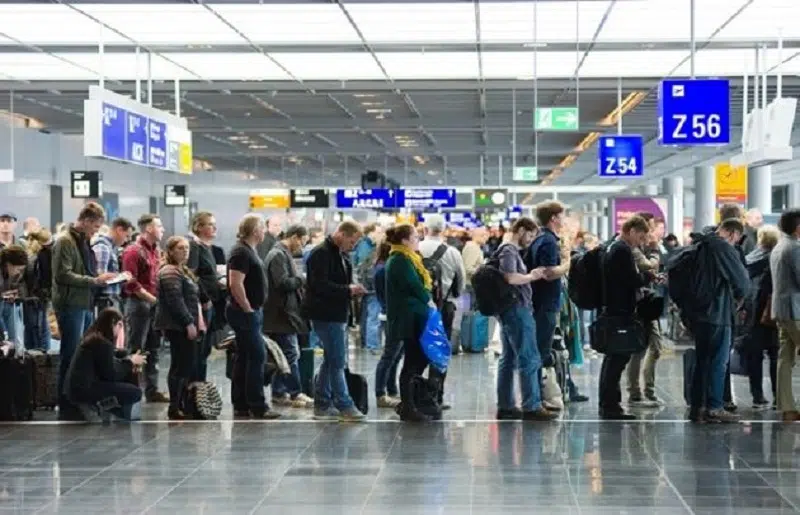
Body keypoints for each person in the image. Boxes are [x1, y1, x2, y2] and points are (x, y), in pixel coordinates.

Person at [52, 202, 118, 420]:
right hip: (71, 304)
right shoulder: (65, 242)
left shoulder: (82, 241)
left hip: (84, 302)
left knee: (81, 354)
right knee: (70, 354)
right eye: (95, 227)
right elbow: (62, 274)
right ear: (86, 221)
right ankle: (65, 401)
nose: (96, 231)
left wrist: (99, 277)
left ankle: (76, 398)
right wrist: (94, 280)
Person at [495, 217, 558, 421]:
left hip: (509, 310)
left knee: (509, 358)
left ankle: (506, 405)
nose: (530, 240)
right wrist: (532, 276)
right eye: (530, 235)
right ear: (521, 230)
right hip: (517, 310)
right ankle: (531, 405)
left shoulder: (506, 249)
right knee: (529, 357)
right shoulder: (509, 250)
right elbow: (510, 277)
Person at [688, 218, 750, 424]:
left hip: (698, 313)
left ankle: (697, 407)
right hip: (718, 313)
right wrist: (740, 300)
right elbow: (742, 282)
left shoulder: (699, 244)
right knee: (718, 361)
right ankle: (715, 407)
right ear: (733, 234)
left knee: (701, 360)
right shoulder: (723, 248)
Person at [304, 220, 367, 422]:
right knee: (338, 361)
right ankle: (344, 404)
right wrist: (347, 290)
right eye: (352, 241)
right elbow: (319, 285)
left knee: (331, 359)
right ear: (342, 234)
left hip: (337, 313)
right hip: (326, 314)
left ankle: (322, 402)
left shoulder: (340, 255)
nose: (354, 245)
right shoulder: (320, 254)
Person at [598, 215, 654, 420]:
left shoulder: (611, 247)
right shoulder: (622, 250)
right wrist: (647, 276)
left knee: (612, 359)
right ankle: (611, 406)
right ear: (631, 231)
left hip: (612, 308)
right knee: (618, 359)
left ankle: (608, 403)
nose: (642, 242)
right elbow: (632, 279)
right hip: (620, 310)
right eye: (640, 237)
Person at [384, 224, 436, 421]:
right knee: (413, 361)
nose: (418, 240)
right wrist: (428, 300)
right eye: (415, 237)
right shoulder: (399, 260)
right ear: (404, 240)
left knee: (416, 360)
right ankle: (408, 405)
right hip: (409, 319)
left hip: (414, 317)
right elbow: (414, 286)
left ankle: (412, 402)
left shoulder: (407, 258)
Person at [227, 214, 277, 419]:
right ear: (255, 230)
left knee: (245, 357)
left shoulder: (248, 250)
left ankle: (241, 403)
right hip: (244, 312)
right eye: (262, 229)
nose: (264, 232)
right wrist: (247, 307)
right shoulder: (241, 252)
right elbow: (235, 283)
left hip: (250, 311)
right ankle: (257, 405)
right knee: (257, 356)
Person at [63, 308, 146, 422]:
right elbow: (111, 374)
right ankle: (100, 408)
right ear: (112, 324)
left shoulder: (94, 338)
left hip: (78, 388)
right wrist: (130, 362)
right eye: (119, 325)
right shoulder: (102, 343)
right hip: (85, 390)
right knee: (135, 392)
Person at [155, 236, 206, 420]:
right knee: (180, 367)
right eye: (180, 248)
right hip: (178, 326)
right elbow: (175, 301)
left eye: (186, 248)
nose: (185, 251)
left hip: (184, 324)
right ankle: (175, 407)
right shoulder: (169, 271)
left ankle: (181, 405)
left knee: (184, 366)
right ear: (170, 251)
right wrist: (188, 323)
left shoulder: (181, 270)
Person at [263, 224, 314, 409]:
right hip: (281, 315)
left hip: (283, 314)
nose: (301, 246)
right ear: (294, 237)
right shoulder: (277, 255)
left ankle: (279, 392)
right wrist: (303, 279)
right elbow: (282, 283)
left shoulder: (282, 254)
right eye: (302, 241)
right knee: (291, 354)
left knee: (283, 355)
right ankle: (294, 392)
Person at [419, 214, 465, 406]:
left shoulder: (416, 249)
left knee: (416, 349)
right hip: (443, 306)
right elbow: (461, 282)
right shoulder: (452, 252)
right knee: (439, 350)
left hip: (419, 306)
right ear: (443, 230)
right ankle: (436, 395)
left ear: (424, 229)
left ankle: (416, 392)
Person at [526, 201, 568, 409]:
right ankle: (535, 401)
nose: (564, 219)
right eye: (562, 215)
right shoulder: (549, 242)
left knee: (539, 349)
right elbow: (549, 273)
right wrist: (568, 264)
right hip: (545, 304)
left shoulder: (539, 239)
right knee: (541, 351)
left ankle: (536, 397)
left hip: (539, 302)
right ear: (553, 218)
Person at [122, 214, 167, 403]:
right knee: (136, 348)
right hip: (139, 304)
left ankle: (152, 389)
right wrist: (152, 300)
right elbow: (130, 282)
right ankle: (130, 389)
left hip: (152, 304)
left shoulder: (156, 251)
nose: (162, 229)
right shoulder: (133, 251)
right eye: (159, 225)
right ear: (148, 228)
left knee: (153, 348)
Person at [625, 212, 664, 408]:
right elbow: (647, 266)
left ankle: (647, 390)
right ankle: (636, 392)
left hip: (647, 302)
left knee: (655, 347)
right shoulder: (633, 249)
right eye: (645, 231)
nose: (649, 235)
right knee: (638, 350)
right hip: (639, 305)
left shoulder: (638, 247)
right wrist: (655, 253)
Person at [743, 225, 779, 410]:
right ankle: (778, 396)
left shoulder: (750, 257)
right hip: (771, 311)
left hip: (753, 311)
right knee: (775, 355)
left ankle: (757, 396)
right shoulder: (775, 258)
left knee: (755, 356)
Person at [770, 209, 800, 423]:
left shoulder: (779, 246)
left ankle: (787, 408)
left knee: (785, 358)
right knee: (786, 358)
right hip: (796, 311)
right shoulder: (795, 248)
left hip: (781, 310)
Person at [187, 211, 221, 381]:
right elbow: (191, 275)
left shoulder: (208, 248)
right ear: (199, 227)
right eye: (210, 224)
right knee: (198, 350)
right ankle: (194, 388)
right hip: (201, 306)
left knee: (205, 349)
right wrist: (204, 298)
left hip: (211, 303)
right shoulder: (194, 247)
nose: (214, 227)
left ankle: (200, 386)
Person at [373, 241, 401, 408]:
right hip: (391, 315)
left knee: (395, 355)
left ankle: (391, 389)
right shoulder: (384, 269)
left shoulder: (381, 267)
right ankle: (380, 392)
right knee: (390, 355)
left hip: (389, 313)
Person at [92, 217, 134, 311]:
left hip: (111, 298)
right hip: (105, 299)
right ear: (119, 230)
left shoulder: (111, 248)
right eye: (127, 236)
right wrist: (122, 277)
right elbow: (100, 278)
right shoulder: (103, 246)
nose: (127, 240)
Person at [355, 224, 385, 353]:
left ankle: (369, 342)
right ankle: (372, 344)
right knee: (373, 317)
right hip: (372, 288)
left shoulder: (370, 248)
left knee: (369, 316)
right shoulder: (366, 248)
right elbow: (364, 266)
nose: (380, 234)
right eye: (378, 232)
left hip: (369, 287)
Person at [22, 229, 54, 350]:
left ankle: (30, 357)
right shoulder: (44, 255)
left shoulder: (28, 254)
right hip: (40, 296)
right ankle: (42, 359)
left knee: (31, 328)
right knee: (42, 329)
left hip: (29, 296)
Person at [0, 245, 29, 343]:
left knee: (14, 339)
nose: (19, 273)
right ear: (8, 264)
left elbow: (20, 287)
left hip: (7, 305)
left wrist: (15, 294)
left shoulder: (11, 273)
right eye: (18, 269)